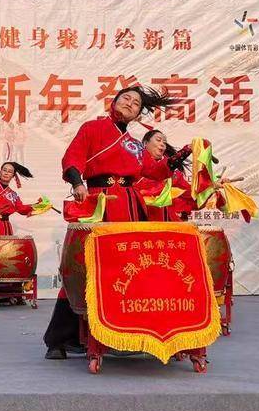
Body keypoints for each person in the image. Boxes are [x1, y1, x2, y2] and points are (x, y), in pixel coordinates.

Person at [43, 85, 187, 360]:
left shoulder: (135, 144)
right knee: (87, 270)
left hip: (131, 207)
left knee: (132, 271)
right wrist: (77, 182)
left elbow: (154, 170)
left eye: (136, 103)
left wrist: (182, 155)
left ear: (138, 114)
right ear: (114, 102)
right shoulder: (93, 128)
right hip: (102, 202)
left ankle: (126, 335)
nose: (130, 103)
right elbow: (73, 158)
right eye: (126, 98)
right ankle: (61, 338)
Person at [138, 130, 195, 223]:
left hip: (169, 223)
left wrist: (210, 187)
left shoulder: (174, 174)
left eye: (164, 142)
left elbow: (192, 196)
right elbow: (156, 173)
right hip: (141, 221)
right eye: (158, 140)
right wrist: (185, 151)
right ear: (146, 143)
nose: (162, 144)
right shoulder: (136, 162)